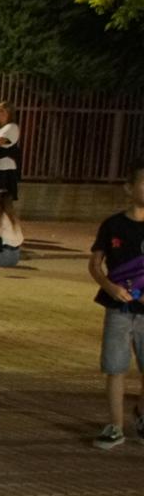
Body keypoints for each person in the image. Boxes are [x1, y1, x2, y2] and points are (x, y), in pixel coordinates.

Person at [89, 158, 144, 450]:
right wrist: (109, 286)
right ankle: (115, 425)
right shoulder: (113, 225)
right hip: (119, 308)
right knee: (116, 367)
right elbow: (95, 264)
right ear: (129, 187)